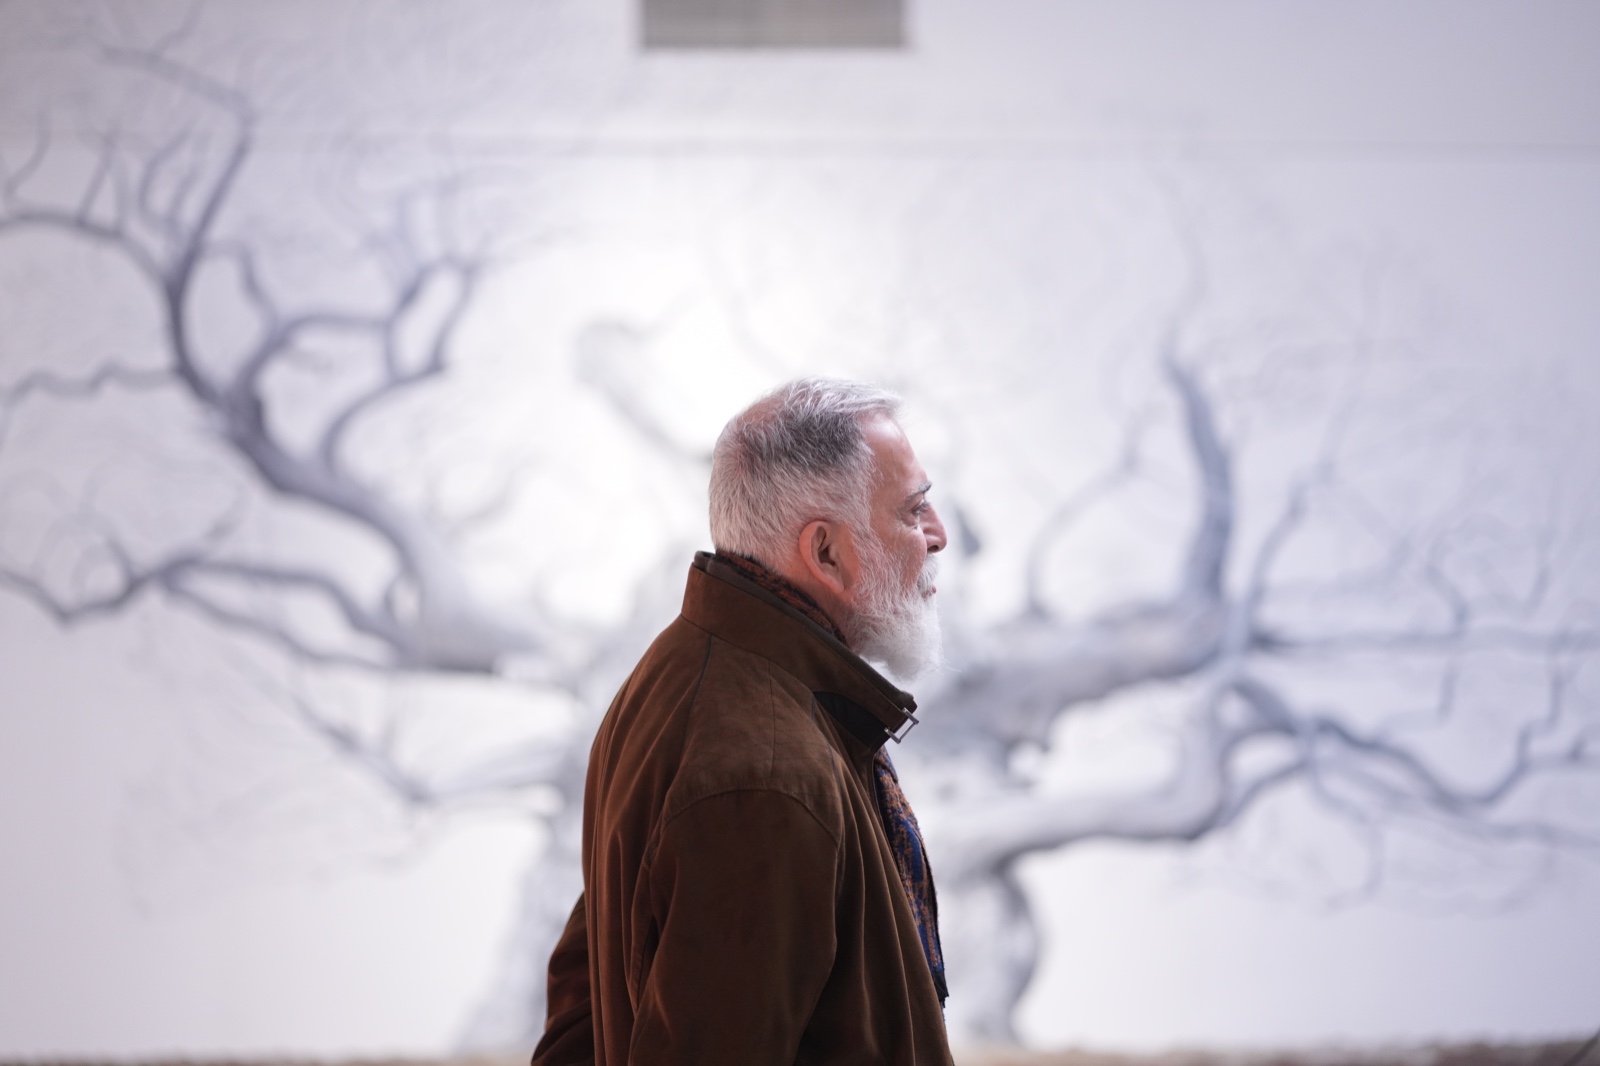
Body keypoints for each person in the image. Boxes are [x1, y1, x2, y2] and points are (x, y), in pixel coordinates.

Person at [531, 378, 954, 1066]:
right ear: (826, 552)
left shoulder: (687, 670)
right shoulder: (766, 781)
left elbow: (582, 1011)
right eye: (913, 510)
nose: (938, 535)